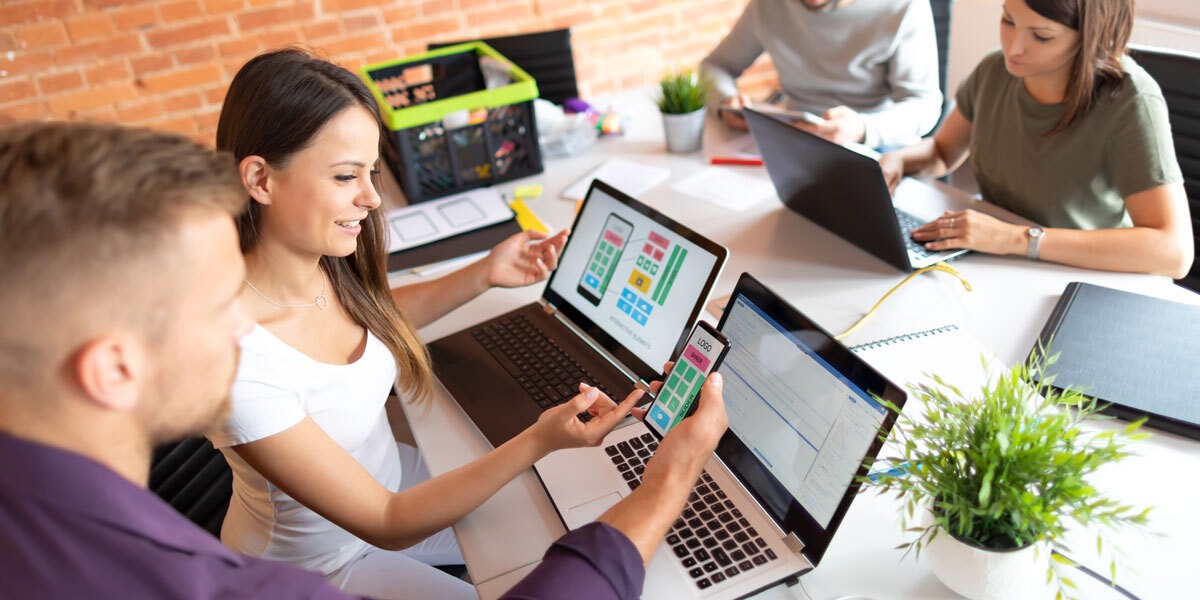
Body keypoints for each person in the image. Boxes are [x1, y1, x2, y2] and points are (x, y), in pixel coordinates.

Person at [0, 120, 731, 599]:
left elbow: (349, 321)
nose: (246, 324)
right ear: (113, 368)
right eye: (218, 302)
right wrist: (665, 484)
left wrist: (480, 275)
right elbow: (385, 519)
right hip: (343, 551)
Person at [206, 47, 665, 598]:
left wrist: (485, 273)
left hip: (392, 480)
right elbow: (387, 521)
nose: (372, 198)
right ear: (259, 178)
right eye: (346, 175)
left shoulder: (320, 264)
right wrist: (538, 439)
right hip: (319, 567)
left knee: (561, 532)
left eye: (372, 172)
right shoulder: (235, 361)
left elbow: (372, 321)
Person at [880, 0, 1194, 278]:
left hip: (1082, 277)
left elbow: (1174, 251)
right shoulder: (994, 70)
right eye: (1008, 21)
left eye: (1042, 36)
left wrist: (1014, 238)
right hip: (999, 266)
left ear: (1090, 35)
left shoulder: (1131, 100)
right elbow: (942, 152)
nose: (1013, 47)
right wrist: (899, 159)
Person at [701, 0, 944, 148]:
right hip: (795, 136)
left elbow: (924, 105)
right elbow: (715, 65)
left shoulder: (903, 6)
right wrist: (725, 100)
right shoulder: (767, 6)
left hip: (874, 142)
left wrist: (862, 128)